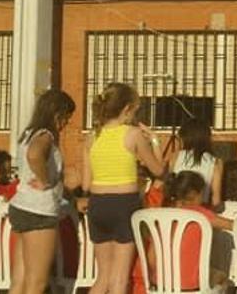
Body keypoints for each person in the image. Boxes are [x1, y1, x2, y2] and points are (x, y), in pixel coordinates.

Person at [83, 82, 166, 294]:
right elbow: (158, 170)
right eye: (135, 110)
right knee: (119, 279)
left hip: (97, 205)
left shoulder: (91, 138)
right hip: (123, 204)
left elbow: (85, 183)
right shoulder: (132, 134)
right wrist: (155, 141)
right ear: (127, 109)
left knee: (103, 276)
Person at [9, 89, 76, 294]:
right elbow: (35, 154)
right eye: (66, 118)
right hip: (40, 210)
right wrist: (45, 181)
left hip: (20, 205)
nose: (66, 124)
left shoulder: (28, 134)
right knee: (37, 283)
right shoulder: (45, 135)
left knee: (19, 281)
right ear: (57, 114)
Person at [162, 171, 237, 289]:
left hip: (161, 283)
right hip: (190, 285)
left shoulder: (161, 215)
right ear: (196, 193)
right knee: (224, 279)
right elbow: (234, 225)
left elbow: (152, 260)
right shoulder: (199, 214)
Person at [168, 119, 223, 207]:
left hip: (178, 207)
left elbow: (169, 183)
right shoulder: (215, 161)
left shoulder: (175, 156)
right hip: (199, 209)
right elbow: (215, 199)